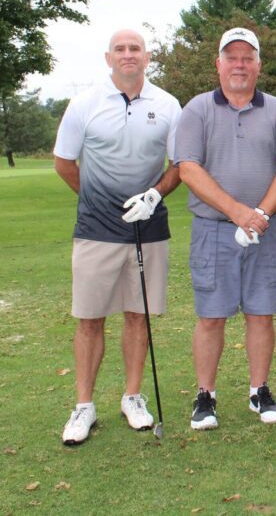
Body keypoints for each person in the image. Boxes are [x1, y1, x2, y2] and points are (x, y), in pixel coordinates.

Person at [54, 29, 182, 445]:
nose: (129, 56)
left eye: (136, 49)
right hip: (96, 230)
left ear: (147, 57)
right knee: (89, 318)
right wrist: (97, 200)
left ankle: (132, 396)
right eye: (121, 50)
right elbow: (64, 163)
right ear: (108, 57)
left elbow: (181, 164)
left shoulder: (167, 105)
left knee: (137, 315)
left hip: (149, 228)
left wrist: (153, 195)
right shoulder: (85, 104)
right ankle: (84, 406)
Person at [174, 27, 276, 430]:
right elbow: (188, 168)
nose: (240, 64)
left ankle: (259, 390)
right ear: (219, 64)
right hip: (213, 229)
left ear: (258, 65)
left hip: (266, 227)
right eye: (232, 57)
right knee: (211, 316)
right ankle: (205, 395)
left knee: (261, 314)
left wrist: (259, 213)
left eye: (248, 57)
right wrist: (236, 211)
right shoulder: (196, 109)